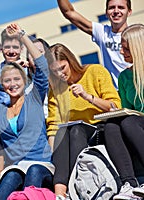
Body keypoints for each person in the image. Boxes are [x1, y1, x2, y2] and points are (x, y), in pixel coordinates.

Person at [0, 23, 54, 200]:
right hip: (17, 167)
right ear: (3, 86)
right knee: (11, 176)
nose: (12, 84)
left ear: (24, 80)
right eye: (7, 81)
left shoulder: (34, 99)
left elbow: (42, 66)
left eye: (16, 79)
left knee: (33, 172)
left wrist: (22, 36)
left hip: (41, 165)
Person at [46, 43, 121, 199]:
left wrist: (88, 97)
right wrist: (53, 155)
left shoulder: (95, 71)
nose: (60, 74)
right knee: (62, 132)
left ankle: (74, 186)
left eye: (62, 68)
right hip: (71, 134)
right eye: (55, 71)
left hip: (100, 128)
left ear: (71, 61)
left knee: (76, 129)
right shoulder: (56, 89)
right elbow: (53, 124)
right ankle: (59, 193)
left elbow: (115, 106)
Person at [103, 24, 144, 200]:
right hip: (137, 124)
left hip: (138, 124)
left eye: (126, 48)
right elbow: (129, 109)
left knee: (128, 122)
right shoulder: (125, 76)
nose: (121, 52)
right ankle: (129, 184)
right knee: (112, 125)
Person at [56, 0, 132, 89]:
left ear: (129, 12)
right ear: (106, 13)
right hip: (116, 92)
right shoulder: (103, 32)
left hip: (136, 87)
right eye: (111, 8)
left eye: (121, 7)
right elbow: (69, 12)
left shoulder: (136, 35)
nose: (116, 11)